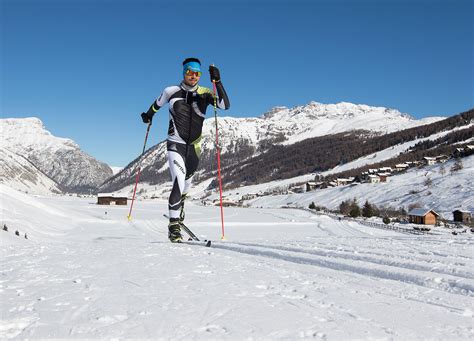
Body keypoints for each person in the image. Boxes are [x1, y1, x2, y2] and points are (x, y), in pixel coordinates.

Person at [140, 58, 230, 243]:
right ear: (184, 73)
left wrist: (218, 82)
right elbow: (156, 105)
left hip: (194, 149)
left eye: (197, 73)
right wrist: (148, 116)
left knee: (186, 188)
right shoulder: (171, 91)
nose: (193, 76)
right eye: (190, 72)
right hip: (175, 144)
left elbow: (224, 105)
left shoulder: (205, 93)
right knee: (178, 182)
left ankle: (179, 209)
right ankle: (173, 227)